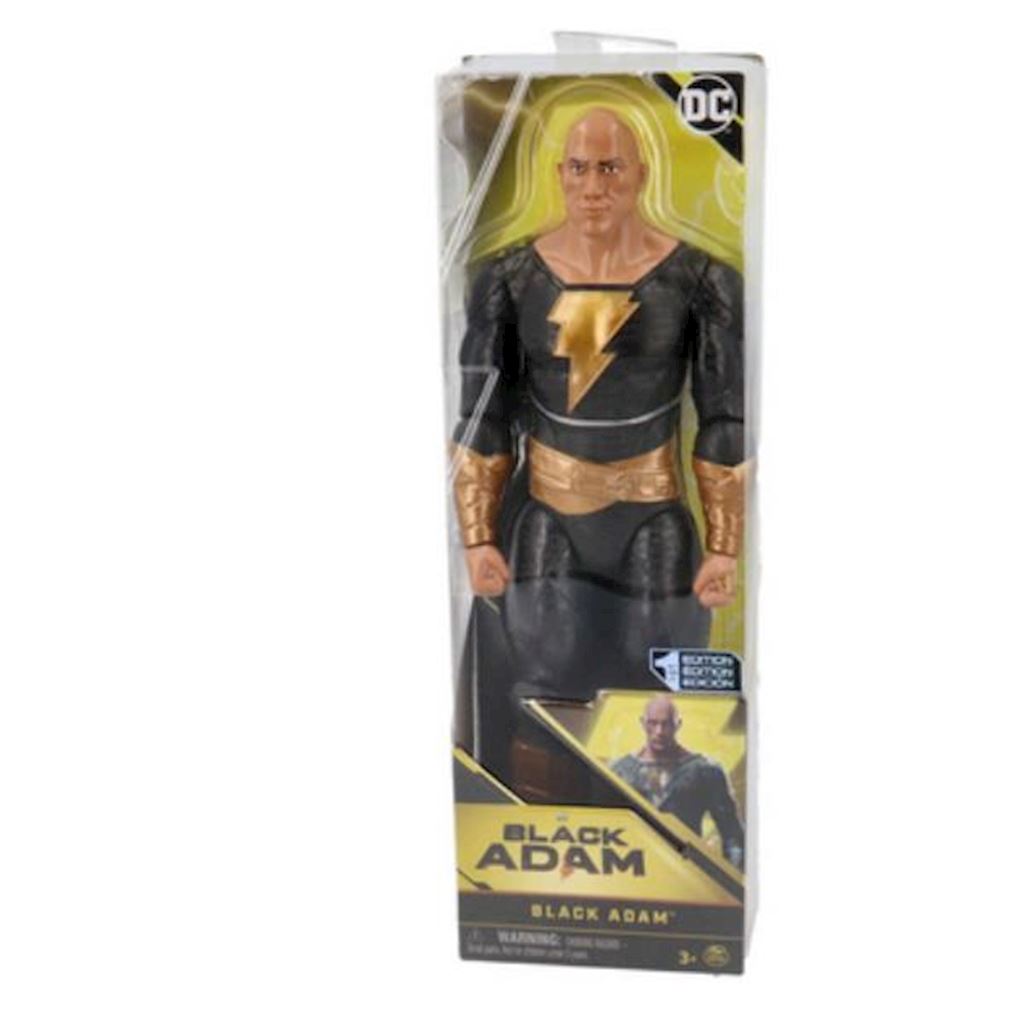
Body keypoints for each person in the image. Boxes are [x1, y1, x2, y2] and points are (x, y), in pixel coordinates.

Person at [451, 107, 747, 795]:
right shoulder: (510, 278)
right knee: (542, 679)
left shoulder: (699, 281)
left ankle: (649, 823)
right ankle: (541, 818)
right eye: (580, 168)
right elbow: (483, 414)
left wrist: (725, 546)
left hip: (653, 512)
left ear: (640, 175)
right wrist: (478, 536)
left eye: (610, 168)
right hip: (549, 513)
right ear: (559, 174)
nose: (593, 188)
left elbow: (725, 417)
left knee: (657, 674)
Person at [611, 696, 744, 868]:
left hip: (687, 868)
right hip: (635, 867)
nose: (659, 731)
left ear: (678, 724)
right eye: (653, 723)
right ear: (643, 723)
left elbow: (733, 836)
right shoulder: (620, 771)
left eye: (666, 724)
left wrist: (732, 878)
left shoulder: (705, 771)